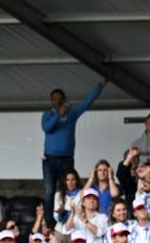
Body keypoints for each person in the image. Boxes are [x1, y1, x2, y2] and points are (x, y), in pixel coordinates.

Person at [42, 82, 105, 218]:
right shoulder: (47, 115)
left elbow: (87, 103)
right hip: (50, 159)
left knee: (67, 189)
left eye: (60, 98)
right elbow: (47, 128)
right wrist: (58, 115)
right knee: (49, 191)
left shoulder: (72, 114)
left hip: (66, 158)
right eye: (55, 98)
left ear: (63, 100)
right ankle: (49, 222)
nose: (57, 101)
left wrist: (100, 86)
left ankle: (67, 217)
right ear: (51, 101)